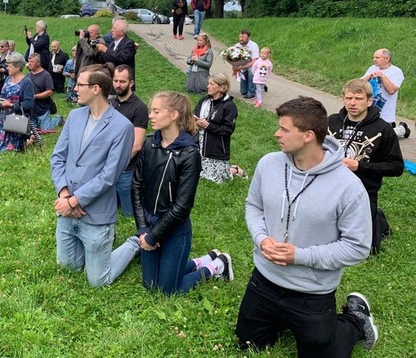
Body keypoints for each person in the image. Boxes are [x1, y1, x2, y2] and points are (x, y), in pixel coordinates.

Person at [235, 96, 377, 357]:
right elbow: (253, 206)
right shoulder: (268, 164)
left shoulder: (348, 187)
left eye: (285, 129)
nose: (277, 133)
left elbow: (357, 247)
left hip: (311, 292)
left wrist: (300, 256)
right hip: (264, 280)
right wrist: (261, 238)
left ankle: (355, 320)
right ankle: (278, 319)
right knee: (248, 344)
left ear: (309, 135)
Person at [131, 91, 233, 294]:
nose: (150, 115)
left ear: (174, 115)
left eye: (156, 111)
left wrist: (153, 237)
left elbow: (182, 206)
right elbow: (136, 187)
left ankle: (217, 265)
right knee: (150, 285)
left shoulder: (189, 154)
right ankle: (202, 260)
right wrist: (144, 230)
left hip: (174, 229)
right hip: (150, 225)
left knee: (168, 290)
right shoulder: (150, 144)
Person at [50, 63, 139, 287]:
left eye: (80, 85)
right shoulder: (74, 116)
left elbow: (109, 176)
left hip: (96, 216)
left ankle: (134, 243)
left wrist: (74, 201)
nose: (75, 89)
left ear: (96, 88)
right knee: (68, 268)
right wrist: (63, 194)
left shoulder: (122, 127)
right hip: (67, 212)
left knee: (97, 281)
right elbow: (58, 157)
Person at [328, 79, 404, 254]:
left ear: (369, 101)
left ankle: (377, 219)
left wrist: (359, 166)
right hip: (330, 189)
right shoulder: (332, 122)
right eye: (349, 98)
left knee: (367, 250)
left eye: (358, 98)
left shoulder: (383, 129)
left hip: (363, 192)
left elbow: (396, 167)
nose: (352, 103)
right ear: (343, 99)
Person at [109, 64, 148, 217]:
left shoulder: (139, 107)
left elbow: (137, 145)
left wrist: (115, 164)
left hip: (127, 168)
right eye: (115, 81)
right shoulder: (110, 104)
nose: (118, 85)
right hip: (110, 166)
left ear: (131, 83)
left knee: (129, 213)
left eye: (122, 81)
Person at [0, 53, 36, 153]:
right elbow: (3, 95)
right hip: (4, 117)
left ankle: (29, 140)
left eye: (9, 66)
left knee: (12, 148)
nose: (7, 68)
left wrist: (12, 105)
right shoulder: (8, 79)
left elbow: (29, 104)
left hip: (17, 119)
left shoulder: (26, 82)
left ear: (17, 67)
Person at [194, 74, 239, 184]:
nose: (208, 86)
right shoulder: (204, 100)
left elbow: (228, 130)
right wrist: (196, 122)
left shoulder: (229, 106)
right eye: (208, 83)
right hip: (200, 145)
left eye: (211, 84)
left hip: (216, 149)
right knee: (198, 175)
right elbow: (194, 115)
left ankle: (235, 170)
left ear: (222, 87)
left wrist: (208, 126)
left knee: (215, 179)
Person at [361, 48, 409, 138]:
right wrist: (369, 76)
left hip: (386, 111)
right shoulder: (372, 68)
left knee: (382, 136)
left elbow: (391, 90)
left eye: (377, 57)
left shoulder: (396, 72)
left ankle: (402, 129)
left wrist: (382, 77)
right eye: (374, 57)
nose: (374, 60)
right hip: (370, 108)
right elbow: (359, 84)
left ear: (387, 59)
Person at [27, 53, 63, 132]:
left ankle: (58, 119)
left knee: (46, 130)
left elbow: (50, 92)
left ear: (38, 63)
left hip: (43, 108)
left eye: (32, 61)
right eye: (28, 61)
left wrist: (36, 96)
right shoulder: (28, 75)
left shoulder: (46, 75)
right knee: (31, 130)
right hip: (32, 109)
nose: (29, 63)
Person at [235, 29, 259, 100]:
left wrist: (240, 67)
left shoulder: (253, 46)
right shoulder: (237, 46)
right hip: (243, 68)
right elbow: (234, 59)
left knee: (250, 70)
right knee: (243, 92)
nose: (241, 39)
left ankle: (252, 92)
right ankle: (257, 85)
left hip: (253, 67)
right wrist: (235, 67)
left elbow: (254, 61)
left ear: (248, 38)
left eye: (243, 37)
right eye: (240, 37)